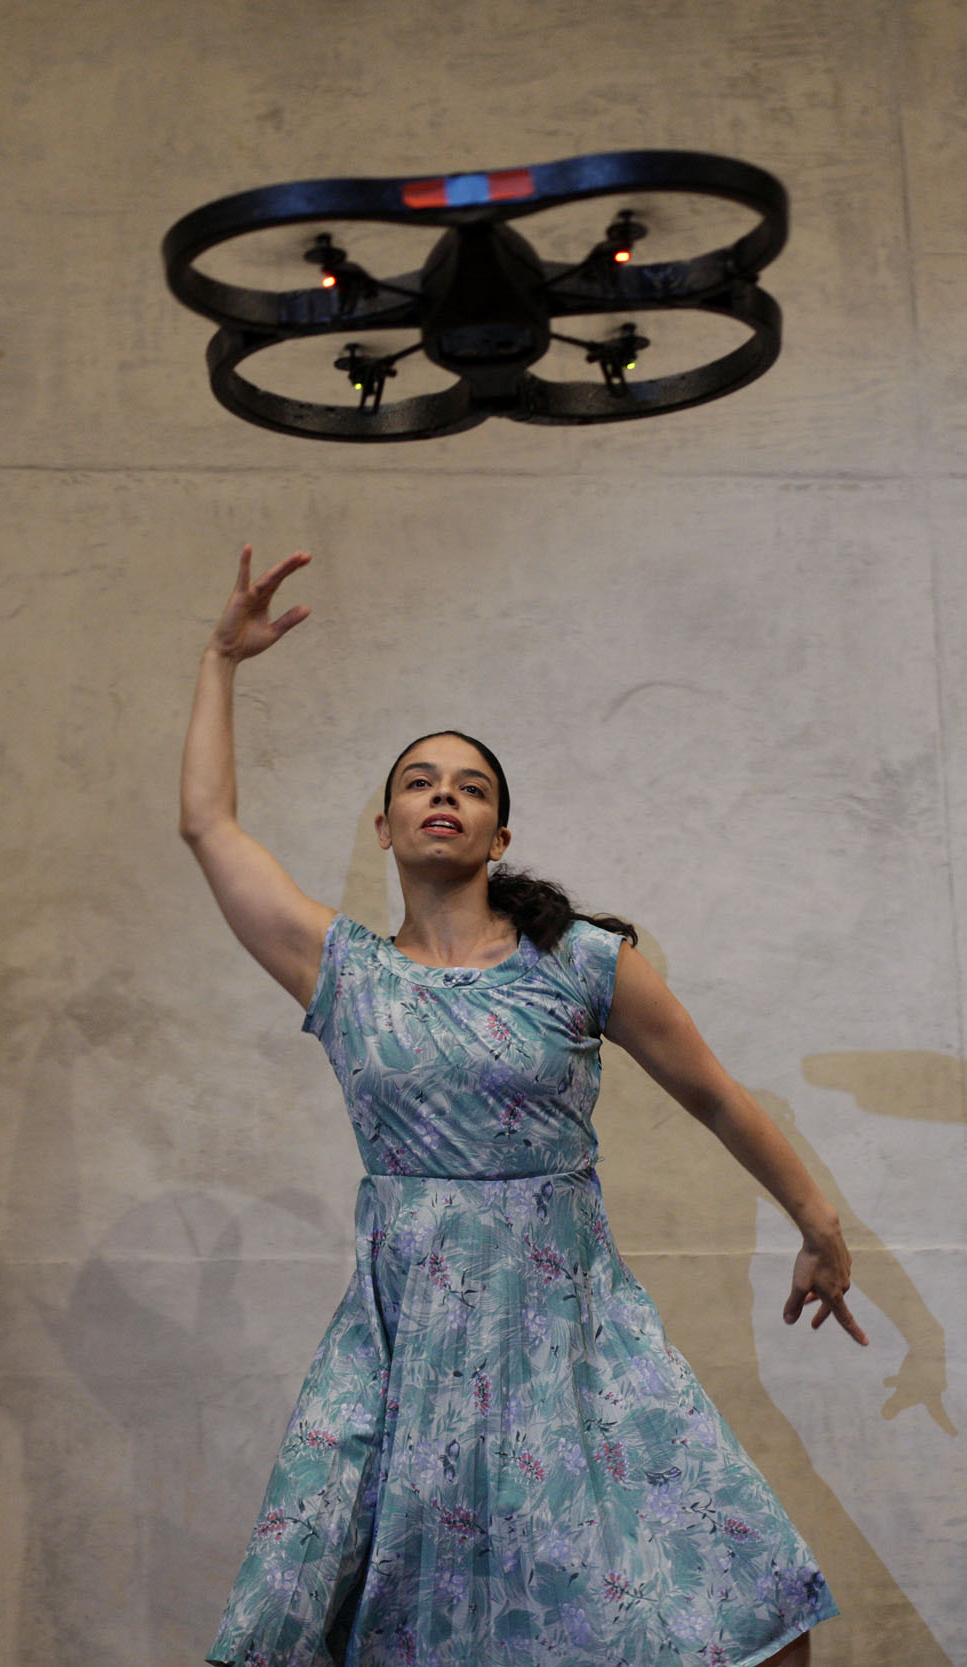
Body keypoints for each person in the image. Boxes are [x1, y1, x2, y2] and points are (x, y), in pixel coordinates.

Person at [184, 548, 870, 1667]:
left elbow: (713, 1092)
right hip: (409, 1341)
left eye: (469, 786)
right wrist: (219, 659)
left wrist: (817, 1218)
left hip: (572, 1333)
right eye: (418, 781)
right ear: (385, 826)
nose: (442, 794)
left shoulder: (580, 962)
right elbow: (210, 829)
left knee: (749, 1611)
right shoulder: (343, 971)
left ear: (499, 836)